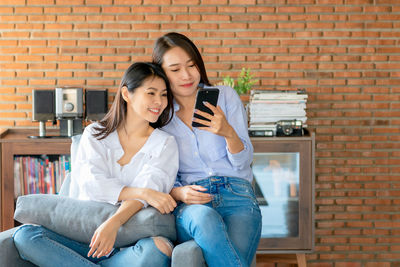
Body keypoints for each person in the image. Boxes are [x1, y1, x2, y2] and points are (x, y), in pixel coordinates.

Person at [13, 62, 179, 267]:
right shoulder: (95, 134)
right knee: (26, 235)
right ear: (126, 94)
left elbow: (151, 190)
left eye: (164, 95)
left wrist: (113, 223)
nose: (159, 102)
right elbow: (92, 184)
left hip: (128, 245)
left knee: (159, 249)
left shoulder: (165, 144)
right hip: (82, 240)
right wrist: (143, 193)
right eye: (151, 93)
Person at [152, 32, 262, 267]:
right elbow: (153, 174)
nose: (186, 75)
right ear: (162, 73)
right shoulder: (159, 113)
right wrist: (179, 193)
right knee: (204, 219)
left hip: (237, 194)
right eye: (175, 69)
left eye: (191, 65)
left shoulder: (225, 97)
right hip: (192, 202)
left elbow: (244, 162)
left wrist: (228, 132)